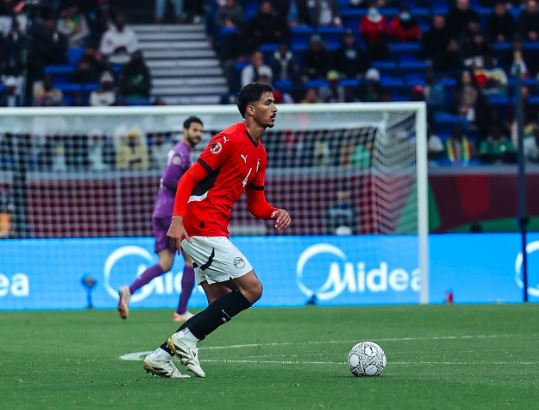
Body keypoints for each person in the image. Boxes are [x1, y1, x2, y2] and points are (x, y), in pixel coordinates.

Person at [142, 82, 291, 378]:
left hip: (213, 228)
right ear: (251, 110)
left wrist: (275, 211)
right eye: (268, 103)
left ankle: (161, 355)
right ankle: (186, 340)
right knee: (253, 289)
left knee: (220, 300)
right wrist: (177, 219)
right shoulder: (229, 138)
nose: (275, 109)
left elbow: (256, 204)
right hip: (199, 224)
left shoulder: (260, 154)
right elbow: (188, 178)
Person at [117, 116, 204, 322]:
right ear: (185, 131)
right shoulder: (181, 153)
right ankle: (181, 311)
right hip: (173, 213)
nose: (198, 134)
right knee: (191, 260)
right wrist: (193, 189)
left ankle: (129, 290)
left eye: (200, 131)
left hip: (161, 211)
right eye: (194, 130)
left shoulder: (179, 152)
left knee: (165, 263)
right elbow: (170, 179)